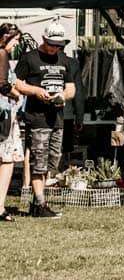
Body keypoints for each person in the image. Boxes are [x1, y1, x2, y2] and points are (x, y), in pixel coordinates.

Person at [12, 22, 79, 219]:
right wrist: (36, 91)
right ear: (43, 39)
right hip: (38, 118)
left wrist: (63, 96)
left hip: (57, 118)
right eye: (51, 44)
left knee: (52, 161)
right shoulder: (29, 58)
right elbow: (15, 81)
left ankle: (37, 202)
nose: (54, 48)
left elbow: (71, 88)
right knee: (38, 162)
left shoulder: (64, 60)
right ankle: (41, 204)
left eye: (58, 45)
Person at [0, 23, 23, 221]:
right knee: (6, 160)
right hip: (3, 114)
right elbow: (3, 84)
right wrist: (17, 96)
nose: (16, 45)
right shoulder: (1, 54)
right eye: (15, 40)